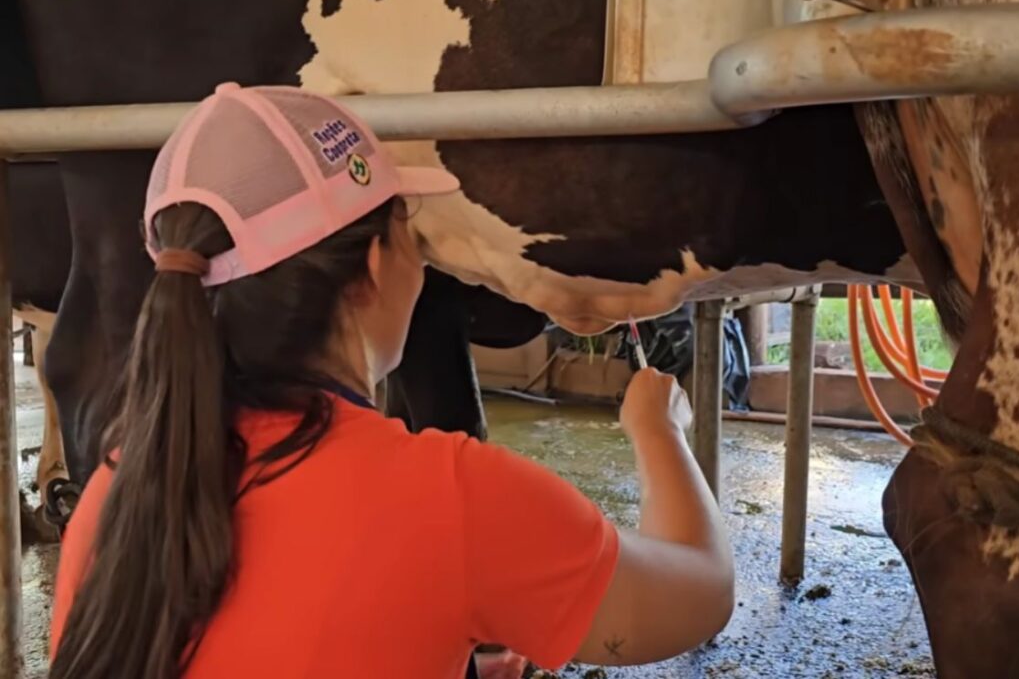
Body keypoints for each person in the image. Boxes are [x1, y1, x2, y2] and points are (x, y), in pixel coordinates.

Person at [48, 82, 735, 679]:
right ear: (376, 264)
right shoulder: (449, 496)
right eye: (413, 234)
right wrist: (658, 432)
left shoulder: (121, 488)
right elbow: (700, 594)